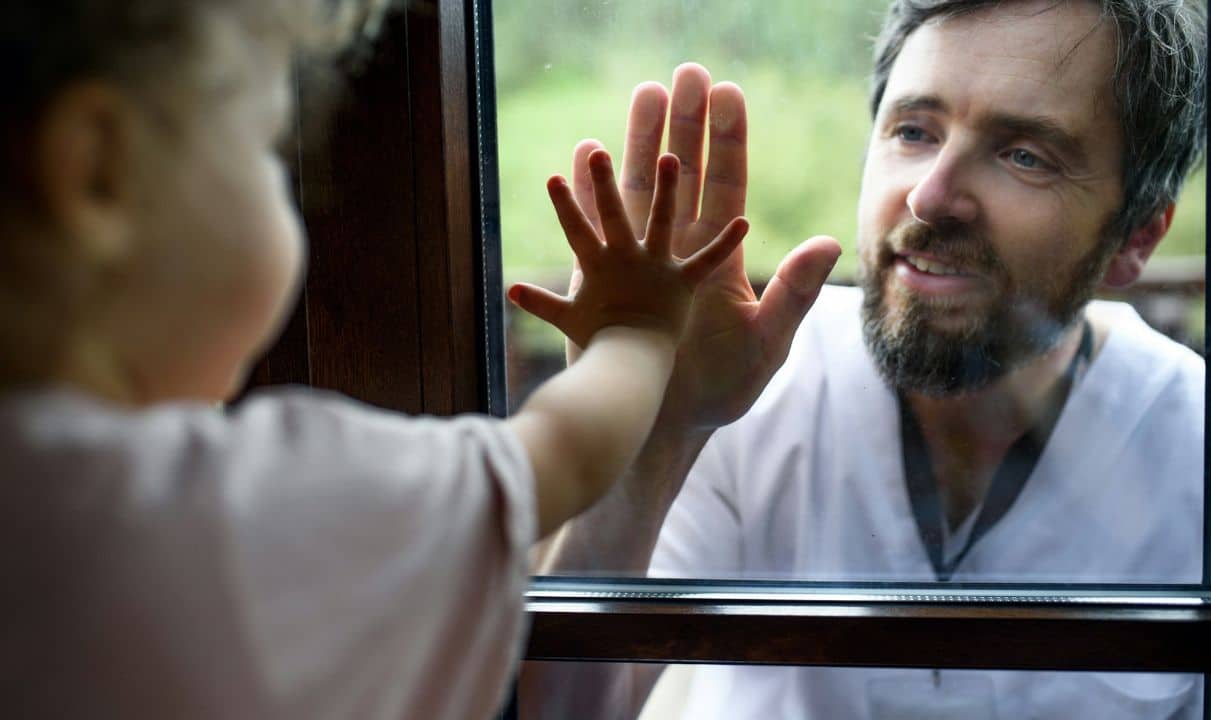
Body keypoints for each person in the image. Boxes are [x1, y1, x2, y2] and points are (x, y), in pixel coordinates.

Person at [0, 1, 750, 718]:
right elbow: (564, 452)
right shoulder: (241, 509)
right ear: (100, 169)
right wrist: (637, 329)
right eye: (266, 145)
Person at [515, 0, 1207, 717]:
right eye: (914, 131)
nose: (931, 196)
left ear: (1137, 237)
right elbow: (560, 711)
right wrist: (658, 434)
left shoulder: (1208, 454)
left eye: (1024, 155)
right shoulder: (750, 391)